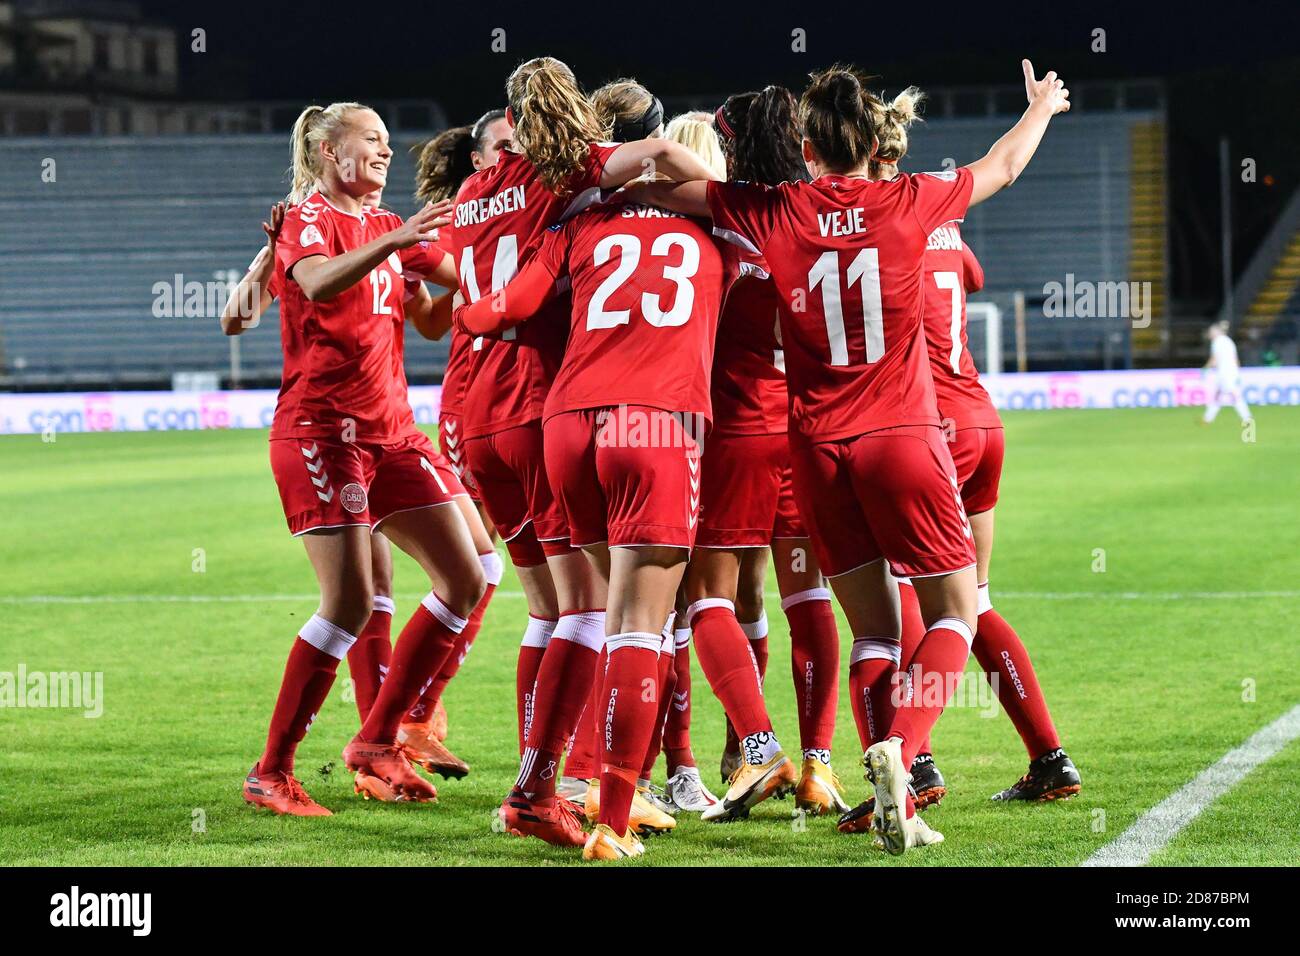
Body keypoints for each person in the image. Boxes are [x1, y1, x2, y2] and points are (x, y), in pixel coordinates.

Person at [626, 59, 1071, 854]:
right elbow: (1001, 167)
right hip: (901, 436)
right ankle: (902, 745)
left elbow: (675, 186)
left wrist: (606, 158)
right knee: (955, 613)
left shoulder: (776, 209)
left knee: (871, 632)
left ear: (806, 145)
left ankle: (883, 789)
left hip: (817, 450)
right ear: (874, 141)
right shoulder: (912, 199)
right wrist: (1039, 109)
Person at [443, 56, 724, 848]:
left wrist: (471, 316)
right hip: (646, 419)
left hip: (547, 417)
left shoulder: (547, 213)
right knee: (627, 616)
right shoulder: (701, 217)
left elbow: (506, 306)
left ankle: (551, 779)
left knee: (566, 610)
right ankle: (599, 795)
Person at [838, 89, 1079, 835]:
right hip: (979, 419)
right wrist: (1039, 110)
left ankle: (911, 762)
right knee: (969, 597)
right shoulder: (935, 215)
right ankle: (1048, 758)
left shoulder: (860, 228)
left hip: (915, 426)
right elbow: (968, 274)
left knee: (893, 604)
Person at [241, 101, 488, 815]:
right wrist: (396, 241)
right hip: (322, 433)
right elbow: (318, 282)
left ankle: (379, 738)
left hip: (393, 436)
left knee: (467, 576)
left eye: (386, 140)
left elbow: (461, 276)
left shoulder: (386, 226)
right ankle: (272, 770)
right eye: (371, 139)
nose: (385, 150)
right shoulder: (307, 219)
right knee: (348, 601)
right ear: (327, 149)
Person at [678, 91, 849, 819]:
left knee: (704, 597)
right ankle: (818, 764)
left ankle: (758, 751)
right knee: (807, 596)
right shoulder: (823, 217)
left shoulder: (728, 217)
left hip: (739, 434)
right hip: (809, 436)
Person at [1202, 320, 1253, 424]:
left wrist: (1205, 368)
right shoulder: (1229, 341)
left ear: (1216, 332)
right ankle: (1207, 418)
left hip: (1225, 373)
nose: (1210, 335)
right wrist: (1237, 372)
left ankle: (1247, 417)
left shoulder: (1217, 342)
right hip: (1231, 372)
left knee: (1234, 395)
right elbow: (1236, 359)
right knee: (1218, 395)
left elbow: (1214, 359)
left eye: (1211, 332)